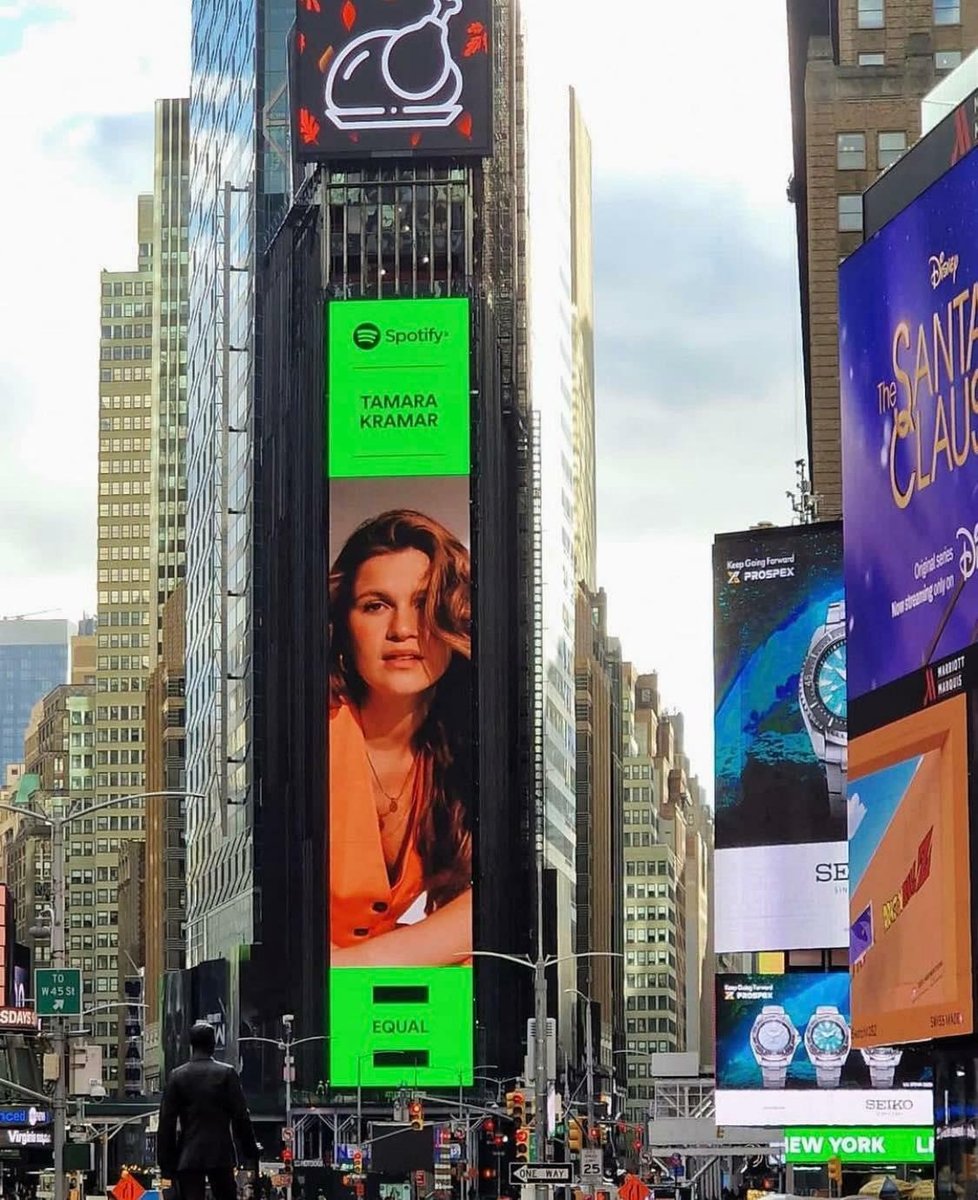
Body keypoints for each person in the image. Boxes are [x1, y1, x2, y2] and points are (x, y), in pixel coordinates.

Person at [328, 508, 473, 966]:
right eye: (376, 605)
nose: (404, 630)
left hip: (362, 993)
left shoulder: (458, 750)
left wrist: (356, 965)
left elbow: (494, 906)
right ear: (344, 625)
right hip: (288, 1016)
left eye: (424, 602)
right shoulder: (315, 736)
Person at [157, 1020, 260, 1200]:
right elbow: (241, 1117)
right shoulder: (227, 1074)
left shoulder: (177, 1076)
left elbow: (167, 1123)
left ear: (192, 1045)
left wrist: (166, 1165)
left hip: (188, 1156)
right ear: (213, 1044)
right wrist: (250, 1151)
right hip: (220, 1154)